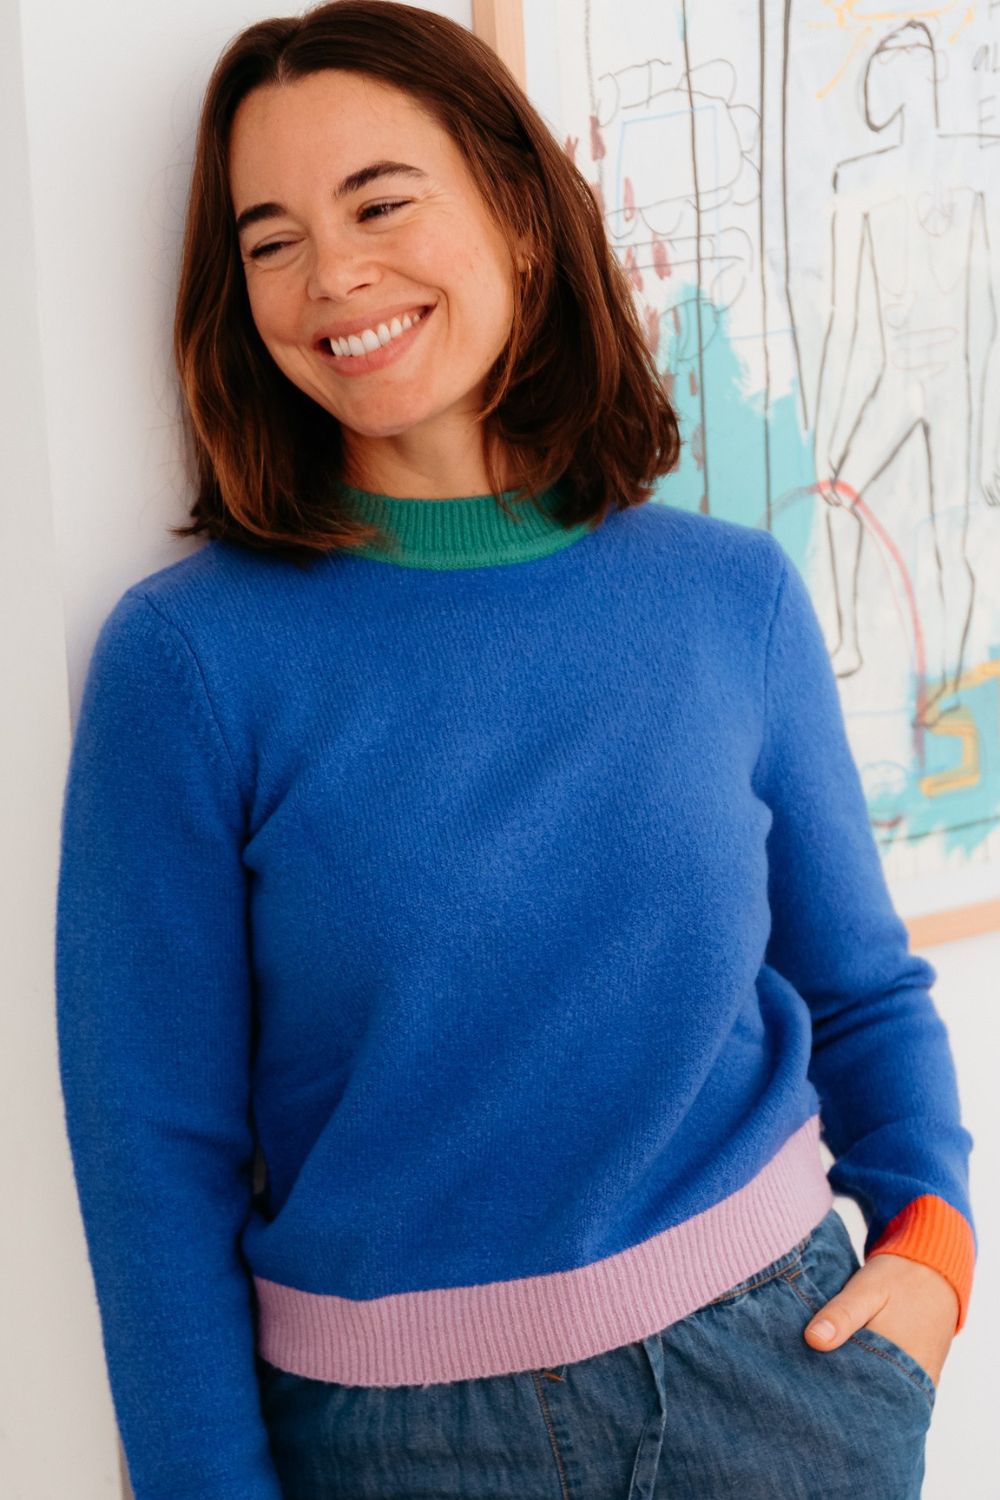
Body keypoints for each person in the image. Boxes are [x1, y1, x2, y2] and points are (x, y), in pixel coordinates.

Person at [55, 3, 975, 1497]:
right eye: (271, 240)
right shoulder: (188, 661)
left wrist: (933, 1248)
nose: (333, 275)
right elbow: (149, 1160)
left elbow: (863, 994)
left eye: (379, 204)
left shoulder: (728, 596)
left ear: (522, 218)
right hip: (399, 1446)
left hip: (783, 1386)